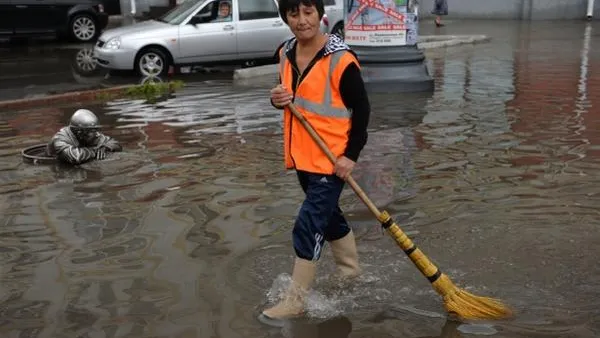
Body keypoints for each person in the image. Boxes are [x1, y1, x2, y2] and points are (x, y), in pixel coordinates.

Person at [259, 0, 371, 326]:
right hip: (303, 158)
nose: (302, 21)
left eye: (308, 12)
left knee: (308, 224)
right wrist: (275, 98)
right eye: (293, 13)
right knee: (330, 218)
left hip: (331, 161)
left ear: (319, 14)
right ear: (285, 17)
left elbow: (362, 112)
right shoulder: (285, 52)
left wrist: (350, 157)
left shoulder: (341, 60)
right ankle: (351, 272)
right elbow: (286, 96)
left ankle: (295, 301)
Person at [47, 109, 122, 165]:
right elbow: (75, 157)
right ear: (80, 132)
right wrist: (95, 151)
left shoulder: (91, 135)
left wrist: (105, 147)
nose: (97, 134)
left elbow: (115, 143)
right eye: (92, 131)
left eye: (95, 130)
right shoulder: (60, 138)